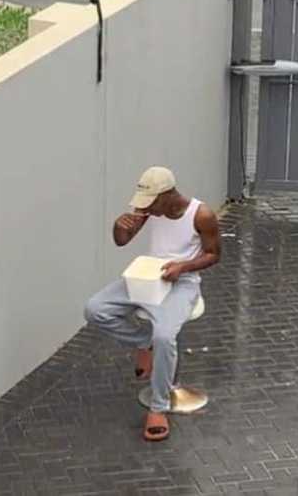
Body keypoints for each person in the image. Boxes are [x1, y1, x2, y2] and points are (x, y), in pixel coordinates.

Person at [83, 166, 221, 441]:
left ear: (168, 195)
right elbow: (122, 242)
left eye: (151, 203)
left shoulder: (201, 214)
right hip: (147, 274)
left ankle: (158, 408)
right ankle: (143, 341)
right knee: (95, 309)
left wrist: (183, 267)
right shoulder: (150, 209)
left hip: (182, 281)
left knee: (165, 335)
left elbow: (213, 254)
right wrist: (118, 227)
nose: (146, 209)